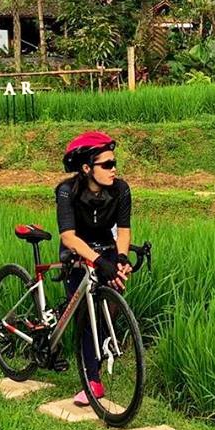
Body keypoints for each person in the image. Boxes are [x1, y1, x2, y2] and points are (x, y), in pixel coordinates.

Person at [56, 131, 133, 406]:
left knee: (107, 312)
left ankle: (97, 356)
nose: (114, 169)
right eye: (107, 165)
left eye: (114, 163)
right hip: (78, 252)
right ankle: (92, 381)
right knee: (88, 317)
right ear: (87, 168)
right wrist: (98, 262)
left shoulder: (121, 190)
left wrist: (121, 259)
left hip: (107, 249)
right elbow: (68, 237)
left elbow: (123, 231)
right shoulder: (66, 191)